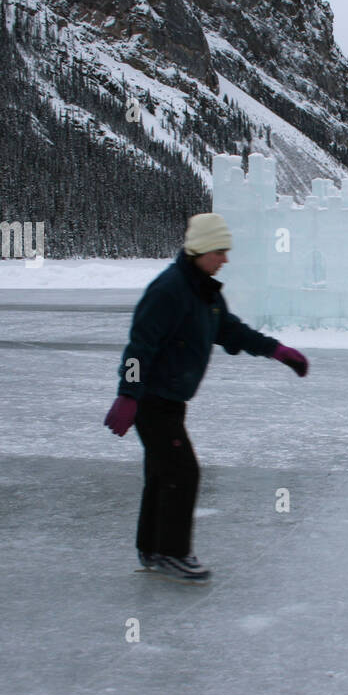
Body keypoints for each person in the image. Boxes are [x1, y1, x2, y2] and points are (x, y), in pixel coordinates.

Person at [103, 213, 308, 581]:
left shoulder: (204, 291)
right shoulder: (169, 290)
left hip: (171, 401)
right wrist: (128, 395)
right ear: (199, 249)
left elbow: (230, 330)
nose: (224, 259)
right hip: (152, 401)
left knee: (162, 472)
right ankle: (173, 552)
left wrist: (278, 351)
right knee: (183, 472)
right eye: (219, 252)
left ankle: (152, 548)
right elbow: (139, 348)